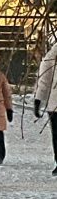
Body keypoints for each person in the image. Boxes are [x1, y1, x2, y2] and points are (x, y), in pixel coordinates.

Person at [32, 36, 57, 175]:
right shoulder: (51, 57)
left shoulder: (51, 57)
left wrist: (38, 100)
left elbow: (44, 81)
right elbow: (44, 81)